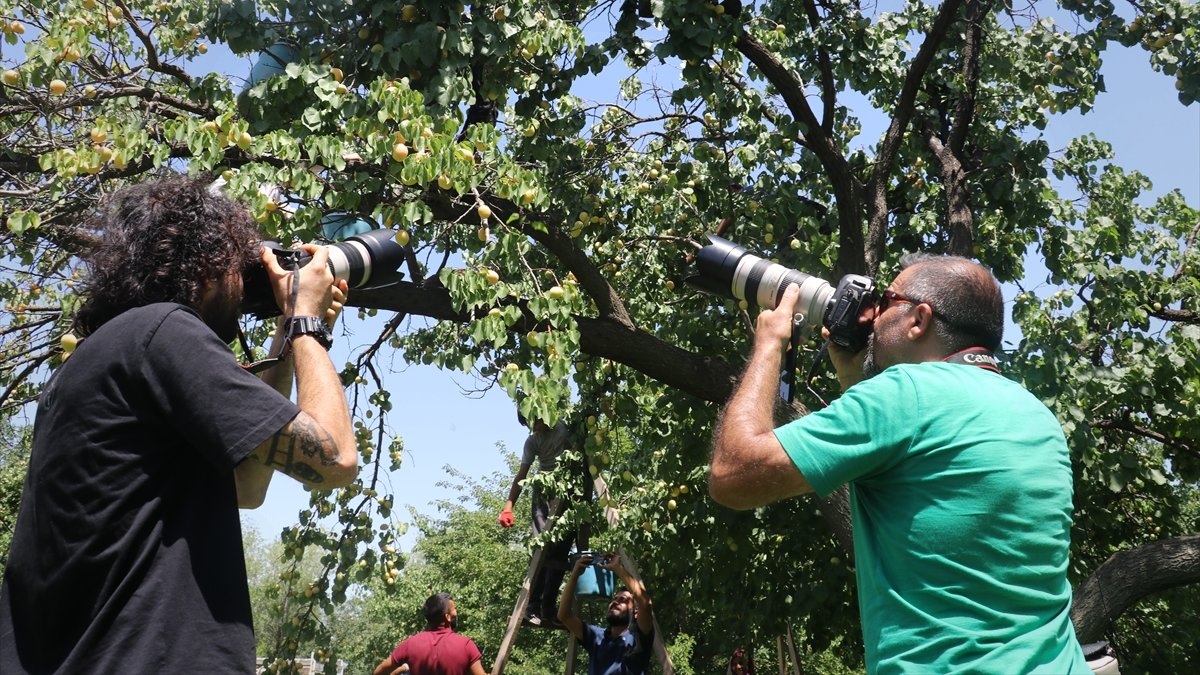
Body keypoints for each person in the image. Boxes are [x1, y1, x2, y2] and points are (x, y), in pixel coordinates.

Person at [0, 176, 358, 674]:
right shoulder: (164, 331)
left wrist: (287, 338)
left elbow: (247, 486)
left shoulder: (96, 362)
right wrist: (305, 323)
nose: (244, 285)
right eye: (240, 265)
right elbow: (337, 459)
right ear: (209, 263)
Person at [709, 253, 1090, 673]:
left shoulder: (906, 393)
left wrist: (769, 344)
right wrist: (853, 379)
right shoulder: (1036, 415)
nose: (872, 317)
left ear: (919, 320)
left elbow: (733, 474)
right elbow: (925, 488)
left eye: (887, 300)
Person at [498, 413, 575, 627]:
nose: (534, 428)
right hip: (543, 492)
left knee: (561, 550)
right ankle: (532, 606)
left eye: (536, 422)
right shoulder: (532, 441)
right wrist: (508, 506)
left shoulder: (565, 426)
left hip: (568, 490)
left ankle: (548, 608)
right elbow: (522, 475)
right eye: (530, 425)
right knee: (542, 546)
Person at [559, 552, 655, 675]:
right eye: (614, 599)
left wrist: (617, 568)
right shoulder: (596, 636)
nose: (615, 602)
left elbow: (646, 603)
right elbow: (564, 615)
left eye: (623, 600)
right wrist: (574, 575)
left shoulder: (639, 638)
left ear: (636, 612)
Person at [372, 592, 486, 675]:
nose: (457, 612)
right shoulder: (466, 645)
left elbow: (379, 671)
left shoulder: (410, 644)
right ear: (447, 617)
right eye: (455, 609)